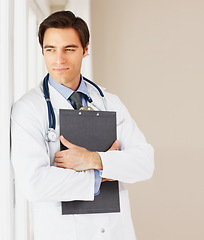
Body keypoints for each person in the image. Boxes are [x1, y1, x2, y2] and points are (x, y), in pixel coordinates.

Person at [11, 10, 154, 240]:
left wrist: (93, 160)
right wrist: (101, 175)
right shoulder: (28, 109)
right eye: (50, 50)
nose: (59, 60)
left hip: (115, 231)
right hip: (64, 233)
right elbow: (34, 183)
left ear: (85, 49)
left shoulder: (109, 102)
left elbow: (145, 163)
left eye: (69, 49)